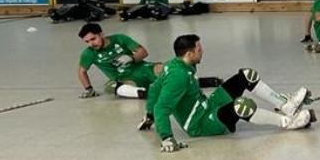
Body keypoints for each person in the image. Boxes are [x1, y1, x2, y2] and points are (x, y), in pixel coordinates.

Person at [143, 34, 313, 152]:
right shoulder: (177, 76)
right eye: (199, 49)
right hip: (201, 124)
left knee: (247, 75)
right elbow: (162, 107)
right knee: (243, 106)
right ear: (189, 53)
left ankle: (287, 106)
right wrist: (166, 137)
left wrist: (149, 115)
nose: (202, 51)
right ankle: (287, 122)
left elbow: (154, 88)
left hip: (207, 105)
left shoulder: (178, 64)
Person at [77, 23, 220, 100]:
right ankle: (144, 94)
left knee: (166, 70)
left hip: (143, 68)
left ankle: (199, 81)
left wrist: (131, 58)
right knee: (111, 87)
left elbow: (143, 52)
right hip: (124, 79)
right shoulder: (88, 54)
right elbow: (82, 71)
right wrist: (89, 89)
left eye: (93, 39)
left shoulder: (119, 39)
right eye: (87, 41)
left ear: (101, 34)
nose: (91, 44)